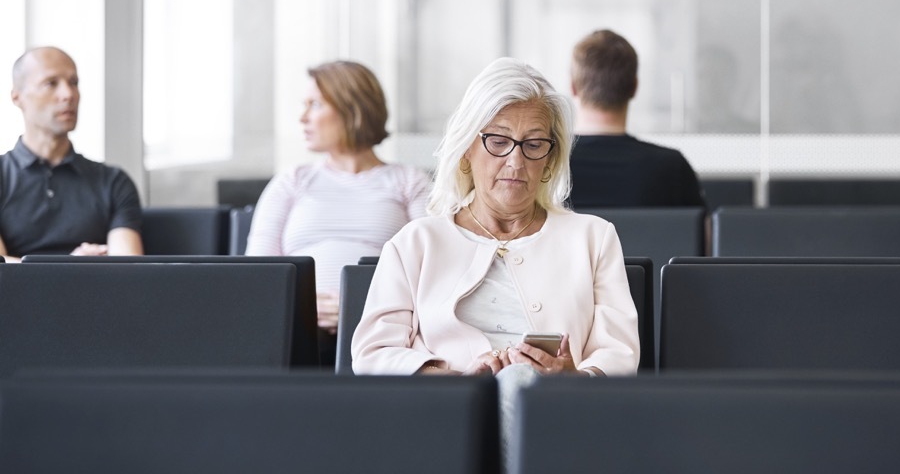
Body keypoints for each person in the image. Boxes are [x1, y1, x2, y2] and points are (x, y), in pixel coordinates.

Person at [352, 56, 639, 378]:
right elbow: (372, 354)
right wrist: (459, 383)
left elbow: (618, 353)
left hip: (554, 410)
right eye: (499, 142)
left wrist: (574, 380)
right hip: (451, 414)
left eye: (533, 144)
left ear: (550, 159)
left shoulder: (593, 237)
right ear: (466, 149)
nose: (516, 161)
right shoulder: (416, 242)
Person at [246, 60, 431, 345]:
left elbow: (433, 272)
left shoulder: (409, 182)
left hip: (386, 327)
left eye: (315, 105)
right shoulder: (292, 181)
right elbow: (256, 276)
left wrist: (357, 305)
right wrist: (303, 305)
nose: (303, 117)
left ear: (352, 110)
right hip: (296, 328)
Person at [0, 47, 143, 262]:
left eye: (74, 83)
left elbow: (129, 268)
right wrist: (70, 267)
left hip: (94, 295)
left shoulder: (113, 181)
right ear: (17, 97)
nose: (68, 94)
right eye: (51, 83)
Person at [568, 29, 706, 208]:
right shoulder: (671, 168)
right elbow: (705, 234)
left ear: (573, 87)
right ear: (634, 87)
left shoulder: (547, 164)